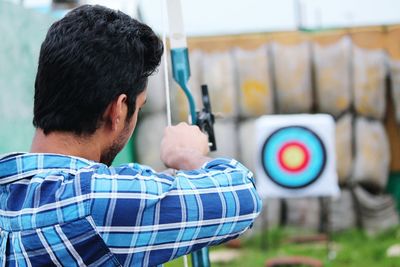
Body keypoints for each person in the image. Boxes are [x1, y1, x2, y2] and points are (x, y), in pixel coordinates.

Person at [0, 5, 262, 267]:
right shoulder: (96, 202)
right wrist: (187, 154)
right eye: (140, 106)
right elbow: (243, 195)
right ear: (119, 109)